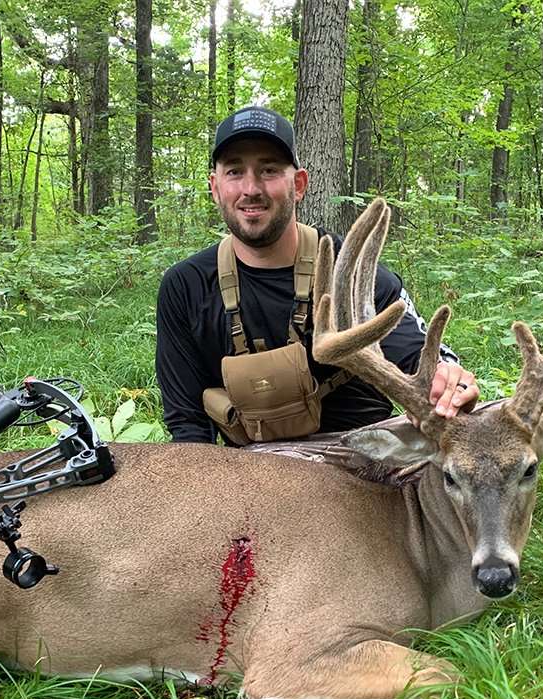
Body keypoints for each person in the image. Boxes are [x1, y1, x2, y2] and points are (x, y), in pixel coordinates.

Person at [155, 106, 479, 445]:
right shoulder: (186, 287)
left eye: (268, 170)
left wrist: (447, 380)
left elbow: (419, 357)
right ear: (215, 187)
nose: (251, 188)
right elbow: (188, 426)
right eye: (235, 171)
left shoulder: (354, 275)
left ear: (298, 185)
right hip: (247, 470)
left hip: (360, 461)